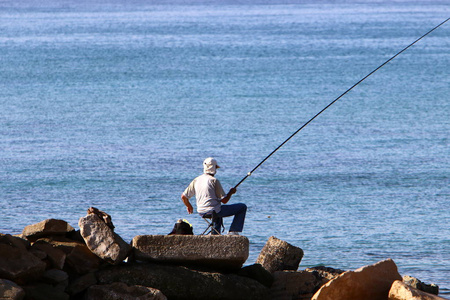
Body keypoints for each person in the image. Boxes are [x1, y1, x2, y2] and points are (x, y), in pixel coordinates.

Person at [181, 157, 247, 235]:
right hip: (213, 211)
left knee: (217, 209)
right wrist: (230, 192)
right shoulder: (214, 180)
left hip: (201, 212)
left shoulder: (197, 180)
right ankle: (233, 232)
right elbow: (224, 200)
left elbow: (183, 197)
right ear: (214, 168)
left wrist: (189, 206)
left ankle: (215, 234)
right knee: (242, 207)